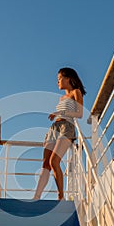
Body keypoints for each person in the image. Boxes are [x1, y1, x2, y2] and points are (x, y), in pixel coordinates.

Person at [33, 67, 86, 200]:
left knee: (54, 161)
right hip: (54, 128)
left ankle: (60, 196)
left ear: (68, 78)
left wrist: (60, 113)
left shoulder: (76, 92)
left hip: (67, 127)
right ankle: (36, 196)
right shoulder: (62, 98)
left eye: (59, 78)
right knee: (45, 164)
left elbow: (79, 114)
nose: (57, 82)